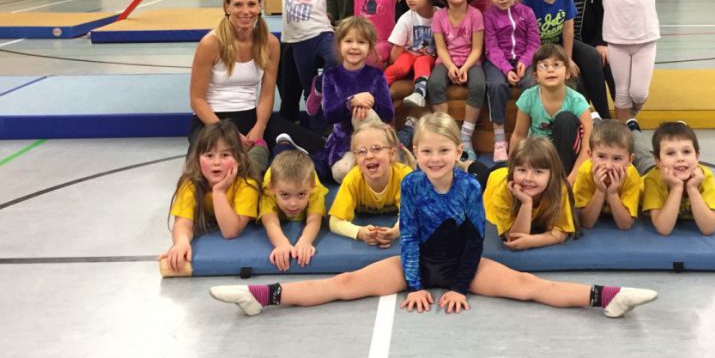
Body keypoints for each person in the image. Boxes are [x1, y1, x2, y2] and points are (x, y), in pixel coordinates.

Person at [209, 113, 658, 318]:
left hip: (464, 264)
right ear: (414, 152)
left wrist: (459, 286)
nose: (435, 159)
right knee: (342, 285)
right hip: (419, 263)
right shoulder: (411, 184)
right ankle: (262, 296)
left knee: (530, 287)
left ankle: (607, 297)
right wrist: (417, 284)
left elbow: (474, 241)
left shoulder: (469, 186)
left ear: (458, 152)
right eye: (427, 152)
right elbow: (409, 236)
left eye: (444, 151)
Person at [189, 0, 323, 154]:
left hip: (251, 116)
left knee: (318, 146)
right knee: (218, 161)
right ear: (227, 7)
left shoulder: (270, 43)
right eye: (238, 5)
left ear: (260, 7)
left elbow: (267, 94)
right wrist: (227, 134)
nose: (246, 11)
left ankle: (277, 151)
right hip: (212, 120)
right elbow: (197, 100)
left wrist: (260, 126)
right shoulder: (210, 44)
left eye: (251, 4)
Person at [161, 120, 260, 274]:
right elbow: (183, 223)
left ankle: (261, 145)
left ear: (238, 160)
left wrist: (219, 192)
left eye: (225, 155)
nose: (216, 162)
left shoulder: (247, 185)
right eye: (209, 155)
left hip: (255, 166)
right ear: (198, 159)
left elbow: (230, 231)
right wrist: (181, 242)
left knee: (259, 157)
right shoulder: (190, 185)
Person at [522, 0, 607, 122]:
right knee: (540, 79)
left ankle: (594, 115)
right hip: (536, 48)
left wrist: (567, 59)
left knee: (576, 71)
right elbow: (525, 34)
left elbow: (568, 29)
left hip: (558, 44)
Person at [317, 17, 395, 183]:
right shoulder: (331, 75)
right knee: (340, 172)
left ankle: (375, 163)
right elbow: (329, 114)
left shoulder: (376, 75)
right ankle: (366, 172)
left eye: (361, 42)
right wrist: (351, 102)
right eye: (348, 41)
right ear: (339, 45)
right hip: (345, 141)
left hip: (373, 139)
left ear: (369, 47)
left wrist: (370, 103)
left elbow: (388, 114)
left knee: (364, 112)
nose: (354, 46)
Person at [509, 44, 591, 181]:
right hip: (539, 156)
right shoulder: (528, 97)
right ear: (536, 76)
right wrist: (511, 170)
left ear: (567, 73)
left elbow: (587, 147)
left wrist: (570, 181)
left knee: (565, 119)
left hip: (568, 159)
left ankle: (560, 178)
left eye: (556, 64)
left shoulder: (577, 101)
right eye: (543, 66)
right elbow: (518, 135)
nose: (550, 70)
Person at [482, 0, 540, 163]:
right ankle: (499, 139)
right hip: (498, 62)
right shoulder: (489, 16)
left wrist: (524, 61)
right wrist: (506, 69)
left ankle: (530, 132)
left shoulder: (527, 12)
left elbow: (534, 43)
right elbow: (491, 47)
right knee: (496, 85)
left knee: (532, 83)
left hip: (525, 59)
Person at [427, 0, 485, 160]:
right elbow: (441, 48)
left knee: (478, 85)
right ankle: (447, 132)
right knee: (434, 84)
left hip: (471, 61)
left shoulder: (476, 15)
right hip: (447, 60)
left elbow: (477, 49)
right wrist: (451, 66)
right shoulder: (439, 16)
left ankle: (465, 136)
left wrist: (465, 67)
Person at [327, 121, 414, 247]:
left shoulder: (404, 177)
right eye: (361, 151)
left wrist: (396, 231)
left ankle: (409, 127)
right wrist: (359, 232)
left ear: (391, 154)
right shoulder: (352, 180)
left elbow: (413, 214)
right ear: (356, 158)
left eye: (376, 149)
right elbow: (334, 222)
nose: (369, 156)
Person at [483, 136, 575, 251]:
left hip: (507, 172)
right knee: (477, 171)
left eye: (538, 172)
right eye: (522, 170)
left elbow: (562, 231)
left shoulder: (559, 190)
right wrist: (526, 203)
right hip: (494, 177)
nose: (528, 178)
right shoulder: (503, 190)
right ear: (513, 170)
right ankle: (467, 164)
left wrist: (532, 241)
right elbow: (515, 239)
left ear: (552, 174)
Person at [643, 121, 715, 236]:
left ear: (697, 156)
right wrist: (677, 188)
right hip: (647, 170)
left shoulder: (705, 176)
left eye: (686, 151)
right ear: (658, 160)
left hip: (670, 167)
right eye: (670, 153)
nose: (680, 158)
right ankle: (633, 130)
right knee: (638, 151)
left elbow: (708, 229)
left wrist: (692, 188)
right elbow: (663, 229)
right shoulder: (652, 179)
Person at [259, 148, 326, 271]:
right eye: (285, 195)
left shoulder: (315, 188)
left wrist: (305, 241)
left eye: (301, 194)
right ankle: (283, 144)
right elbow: (270, 221)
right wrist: (281, 243)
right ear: (272, 188)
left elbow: (314, 220)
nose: (293, 204)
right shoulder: (268, 189)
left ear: (311, 187)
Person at [573, 119, 642, 231]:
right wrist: (600, 191)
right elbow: (586, 223)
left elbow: (625, 225)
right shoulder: (585, 172)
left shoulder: (631, 176)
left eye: (617, 158)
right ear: (590, 155)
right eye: (601, 156)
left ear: (630, 160)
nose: (608, 166)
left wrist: (612, 194)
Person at [385, 0, 438, 109]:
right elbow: (397, 48)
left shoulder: (440, 15)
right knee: (400, 67)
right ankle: (378, 87)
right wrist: (393, 64)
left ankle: (419, 94)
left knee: (422, 62)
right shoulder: (406, 19)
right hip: (408, 54)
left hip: (428, 57)